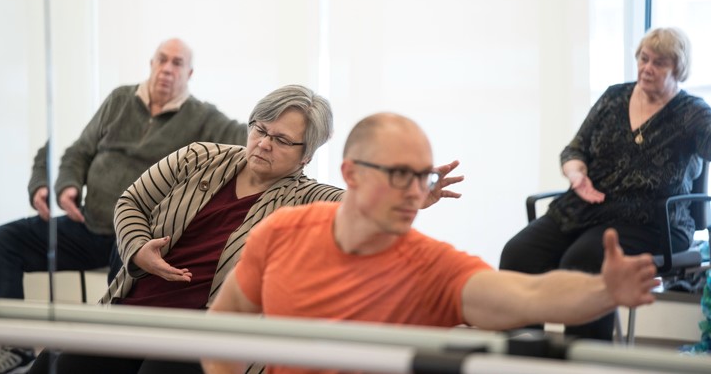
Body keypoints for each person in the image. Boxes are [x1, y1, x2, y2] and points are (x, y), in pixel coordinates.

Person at [28, 87, 463, 374]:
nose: (263, 143)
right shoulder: (199, 156)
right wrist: (138, 248)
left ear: (306, 155)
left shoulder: (306, 196)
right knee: (68, 365)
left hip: (200, 333)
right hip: (135, 310)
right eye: (259, 129)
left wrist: (408, 194)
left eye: (281, 140)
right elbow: (132, 202)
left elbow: (359, 206)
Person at [201, 112, 660, 374]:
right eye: (400, 174)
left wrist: (603, 291)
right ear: (351, 174)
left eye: (421, 176)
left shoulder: (430, 267)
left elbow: (529, 294)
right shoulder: (283, 234)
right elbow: (222, 331)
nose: (415, 190)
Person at [0, 38, 247, 374]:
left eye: (177, 63)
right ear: (151, 63)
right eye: (162, 60)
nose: (167, 69)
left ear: (190, 73)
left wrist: (279, 138)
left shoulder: (203, 117)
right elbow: (79, 150)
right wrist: (67, 184)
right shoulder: (119, 99)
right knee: (1, 241)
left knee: (126, 295)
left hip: (135, 234)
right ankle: (17, 344)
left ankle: (109, 356)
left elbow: (248, 139)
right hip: (87, 223)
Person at [499, 27, 711, 341]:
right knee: (518, 253)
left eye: (659, 63)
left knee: (584, 260)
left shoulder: (693, 113)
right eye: (643, 58)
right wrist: (576, 174)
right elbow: (575, 149)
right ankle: (523, 354)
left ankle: (586, 358)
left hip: (653, 220)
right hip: (588, 207)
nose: (647, 68)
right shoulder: (614, 97)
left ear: (678, 69)